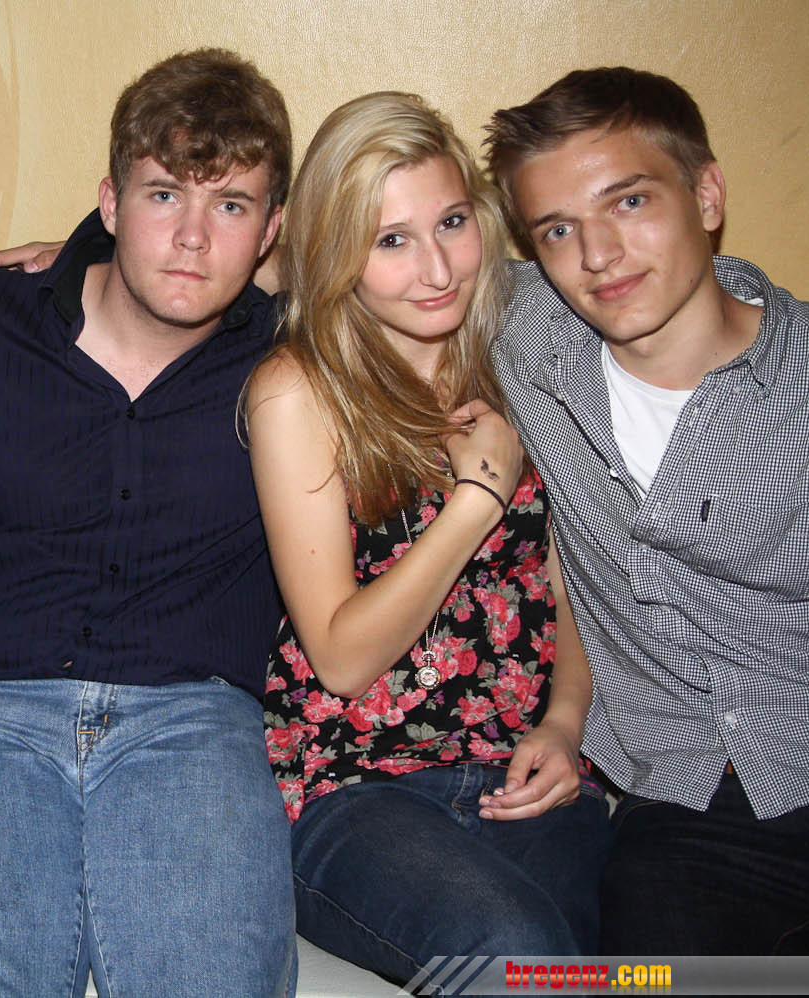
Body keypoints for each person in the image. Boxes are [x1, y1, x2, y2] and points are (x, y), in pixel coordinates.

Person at [0, 49, 297, 996]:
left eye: (230, 206)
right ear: (109, 203)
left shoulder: (294, 361)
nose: (191, 238)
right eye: (162, 196)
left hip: (191, 723)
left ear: (272, 231)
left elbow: (442, 275)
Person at [243, 92, 611, 983]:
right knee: (520, 955)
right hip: (355, 786)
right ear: (339, 253)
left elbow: (564, 585)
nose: (438, 267)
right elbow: (341, 657)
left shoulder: (521, 355)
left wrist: (565, 726)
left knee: (624, 960)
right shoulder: (298, 392)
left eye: (451, 222)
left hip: (519, 766)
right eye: (391, 241)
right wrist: (477, 500)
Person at [484, 68, 809, 955]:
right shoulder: (529, 337)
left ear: (706, 195)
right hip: (686, 810)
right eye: (558, 229)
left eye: (629, 202)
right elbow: (349, 248)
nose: (598, 255)